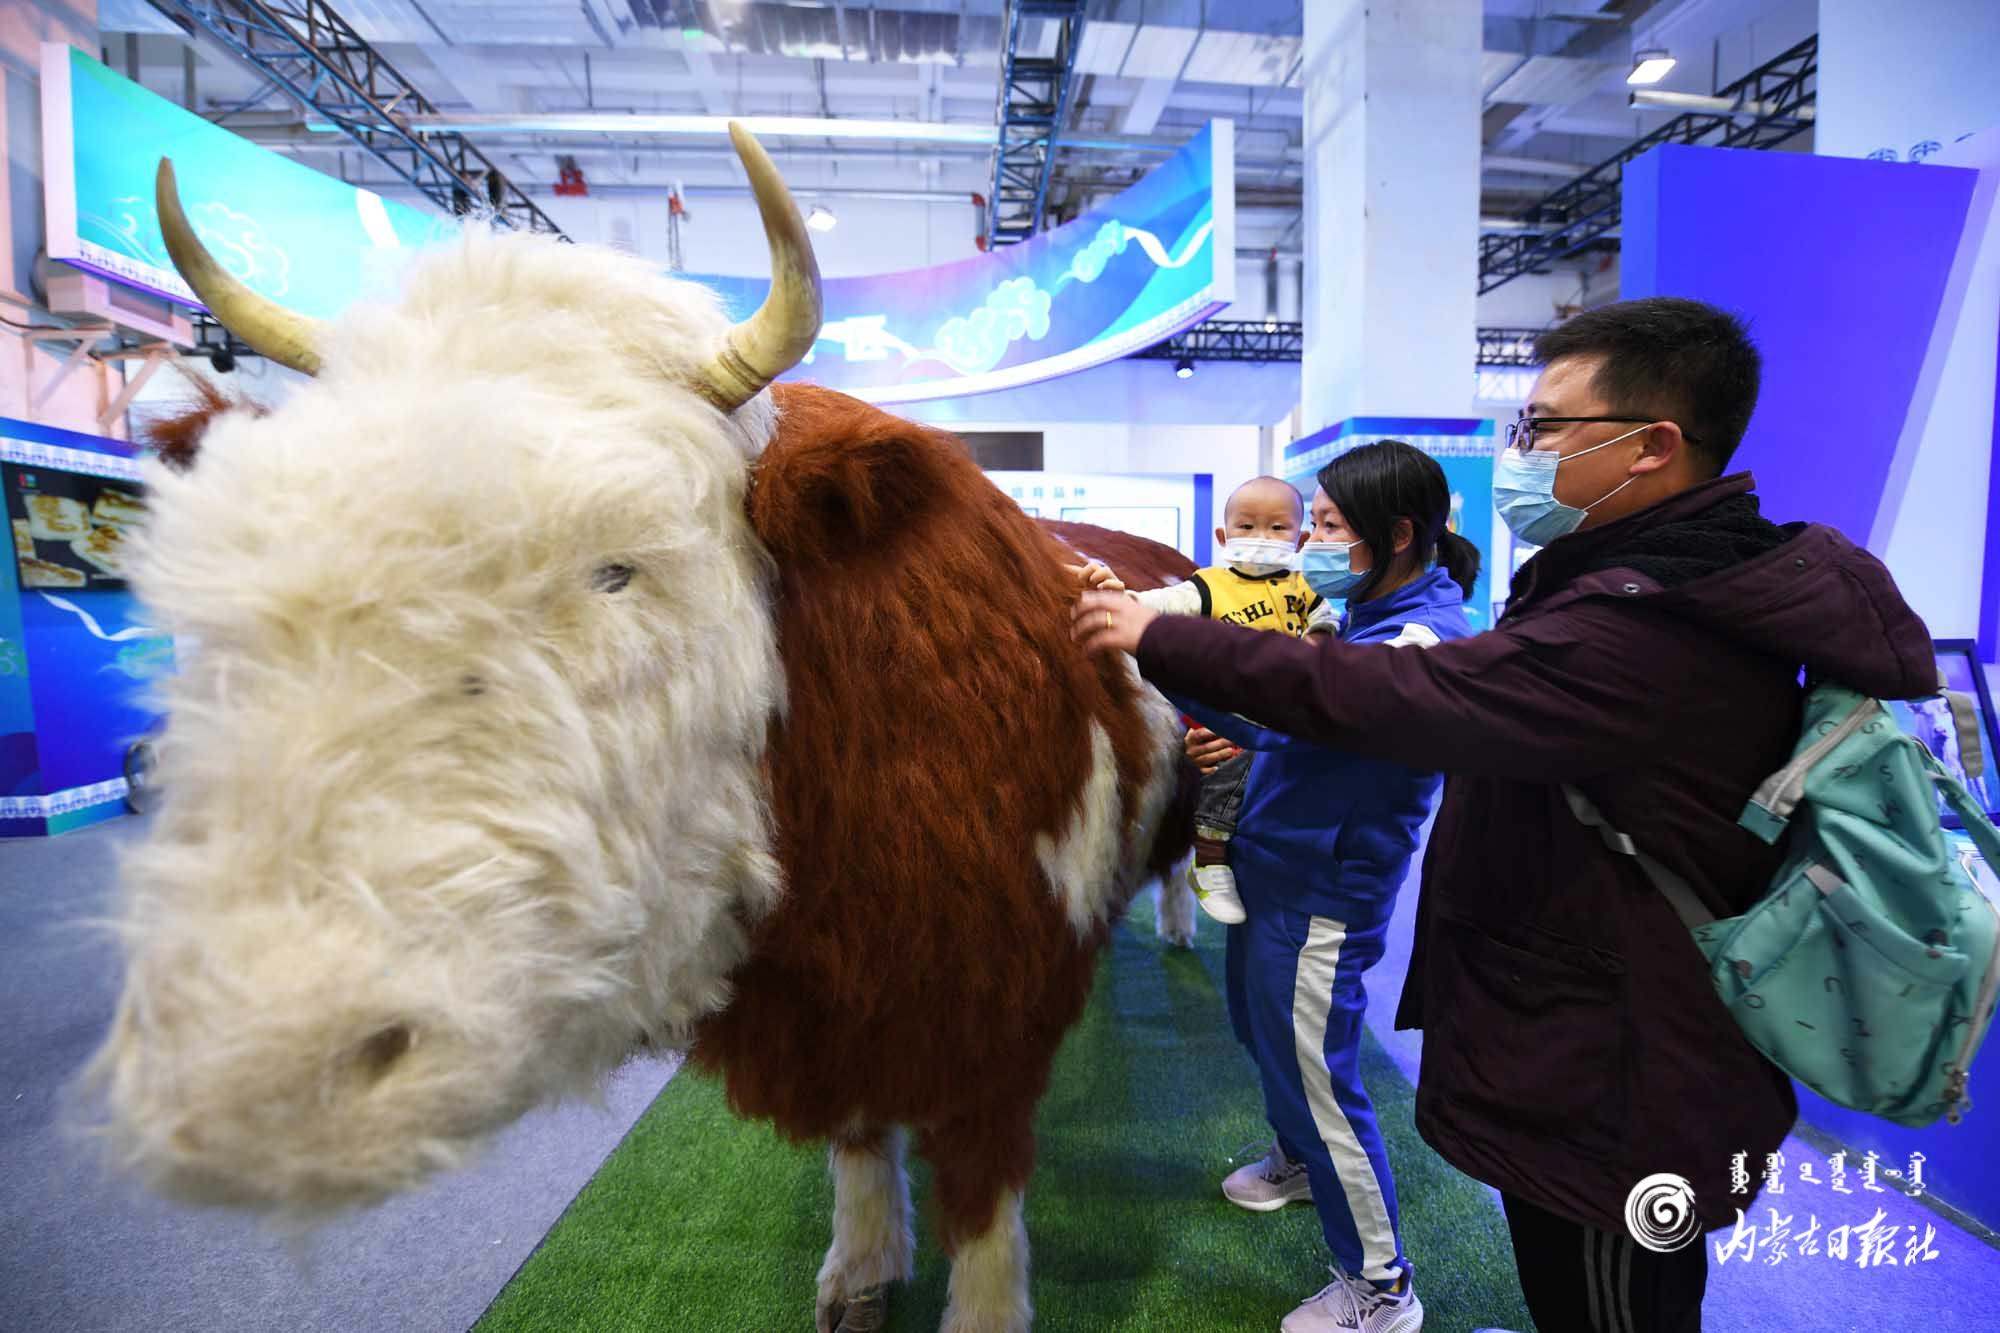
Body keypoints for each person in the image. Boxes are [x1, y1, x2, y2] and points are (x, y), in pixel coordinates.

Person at [1074, 297, 1938, 1333]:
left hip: (1620, 1051)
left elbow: (1388, 700)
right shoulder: (1606, 589)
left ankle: (1378, 1288)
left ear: (1651, 445)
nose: (1520, 450)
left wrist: (1159, 637)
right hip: (1567, 1014)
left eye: (1542, 426)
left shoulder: (1643, 624)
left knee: (1610, 1285)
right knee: (1551, 1250)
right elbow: (1319, 709)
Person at [1089, 443, 1477, 1333]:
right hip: (1271, 861)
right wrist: (1196, 696)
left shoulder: (1419, 639)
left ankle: (1381, 1287)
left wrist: (1156, 647)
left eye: (1328, 525)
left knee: (1320, 1080)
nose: (1309, 541)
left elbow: (1298, 704)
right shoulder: (1355, 613)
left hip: (1323, 889)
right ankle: (1300, 1161)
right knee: (1263, 1035)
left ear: (1397, 534)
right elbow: (1282, 718)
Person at [1119, 476, 1326, 925]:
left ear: (1301, 539)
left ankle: (1253, 862)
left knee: (1271, 793)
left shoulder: (1307, 588)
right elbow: (1161, 602)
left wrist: (1317, 641)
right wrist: (1123, 597)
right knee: (1222, 786)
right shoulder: (1210, 585)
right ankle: (1209, 865)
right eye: (1246, 527)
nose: (1261, 537)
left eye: (1277, 528)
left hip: (1282, 717)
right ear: (1223, 535)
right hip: (1227, 716)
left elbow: (1326, 622)